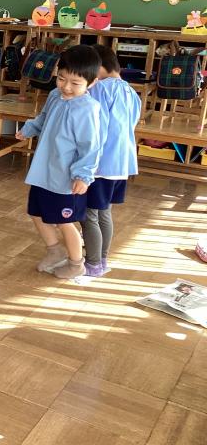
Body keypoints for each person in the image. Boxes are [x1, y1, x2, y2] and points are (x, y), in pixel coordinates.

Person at [16, 45, 102, 279]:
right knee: (36, 212)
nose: (66, 87)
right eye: (62, 78)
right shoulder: (55, 95)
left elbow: (91, 146)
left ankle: (76, 263)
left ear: (91, 83)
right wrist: (29, 129)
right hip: (43, 172)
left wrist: (83, 176)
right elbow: (43, 118)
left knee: (65, 222)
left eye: (75, 83)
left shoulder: (87, 109)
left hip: (66, 179)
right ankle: (54, 252)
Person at [83, 44, 141, 277]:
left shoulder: (99, 89)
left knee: (89, 215)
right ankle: (102, 259)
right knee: (104, 212)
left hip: (101, 163)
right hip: (122, 163)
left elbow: (95, 128)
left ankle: (93, 263)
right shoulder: (131, 92)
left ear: (99, 67)